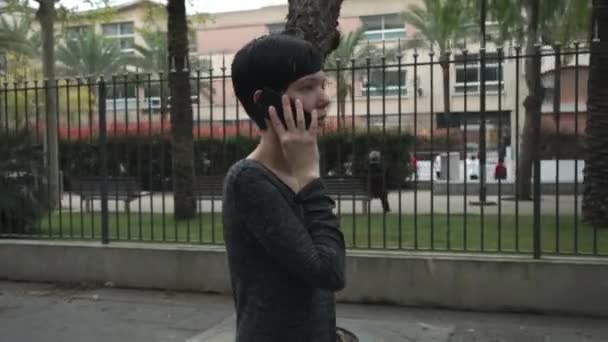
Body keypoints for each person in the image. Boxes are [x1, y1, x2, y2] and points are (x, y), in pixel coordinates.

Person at [222, 34, 346, 342]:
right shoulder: (249, 180)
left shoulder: (298, 168)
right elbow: (329, 272)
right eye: (307, 87)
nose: (324, 98)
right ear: (266, 102)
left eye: (323, 84)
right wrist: (310, 178)